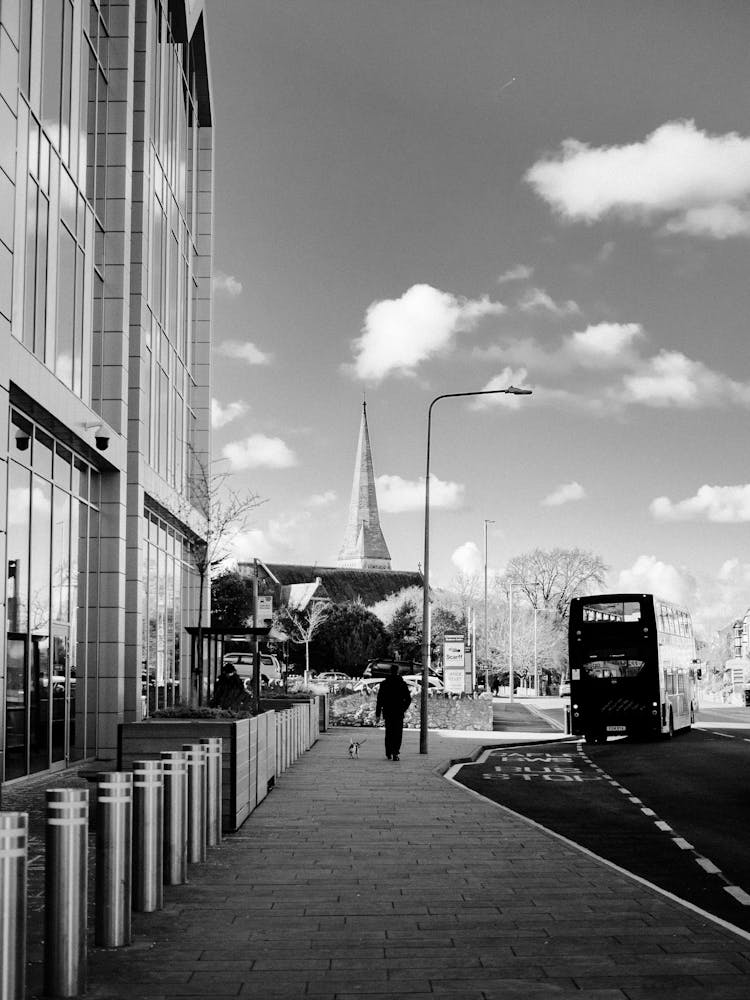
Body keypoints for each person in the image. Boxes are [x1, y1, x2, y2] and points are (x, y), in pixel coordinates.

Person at [375, 664, 412, 761]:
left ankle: (388, 752)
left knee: (389, 732)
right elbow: (408, 699)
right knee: (397, 733)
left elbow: (380, 700)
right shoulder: (402, 684)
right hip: (398, 712)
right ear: (398, 672)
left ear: (390, 671)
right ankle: (395, 753)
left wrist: (378, 714)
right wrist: (403, 708)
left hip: (388, 711)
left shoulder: (384, 684)